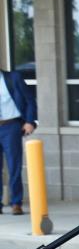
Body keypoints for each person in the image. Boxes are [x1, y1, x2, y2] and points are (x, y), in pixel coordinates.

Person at [0, 66, 37, 215]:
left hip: (11, 126)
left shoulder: (13, 78)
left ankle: (16, 202)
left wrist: (29, 121)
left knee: (14, 165)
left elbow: (30, 100)